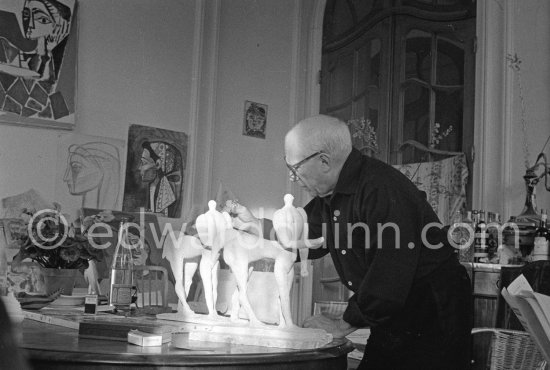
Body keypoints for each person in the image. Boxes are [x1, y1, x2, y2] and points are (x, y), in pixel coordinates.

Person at [233, 115, 472, 370]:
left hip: (431, 310)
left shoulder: (381, 188)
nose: (294, 178)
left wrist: (341, 324)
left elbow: (389, 275)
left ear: (323, 160)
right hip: (393, 311)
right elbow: (302, 235)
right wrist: (256, 226)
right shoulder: (331, 192)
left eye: (295, 169)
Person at [138, 141, 182, 217]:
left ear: (158, 164)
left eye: (144, 163)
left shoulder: (167, 191)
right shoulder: (152, 187)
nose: (139, 168)